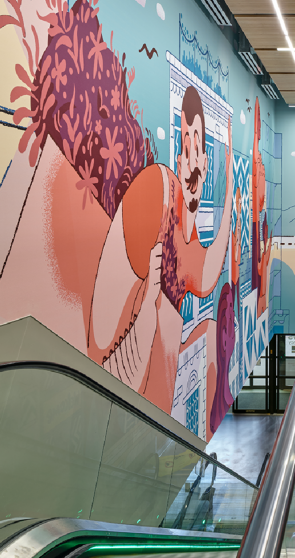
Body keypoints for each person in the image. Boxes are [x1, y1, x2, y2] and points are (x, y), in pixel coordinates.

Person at [87, 85, 235, 415]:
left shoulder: (188, 232)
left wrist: (229, 196)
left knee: (198, 332)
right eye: (187, 147)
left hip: (149, 376)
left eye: (199, 150)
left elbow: (207, 274)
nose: (193, 163)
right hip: (118, 365)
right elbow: (105, 329)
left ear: (204, 164)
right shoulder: (159, 192)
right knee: (170, 323)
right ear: (180, 161)